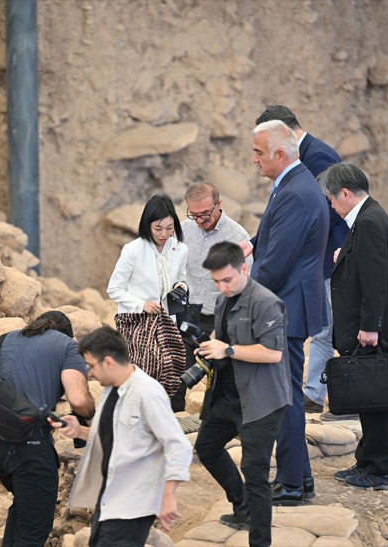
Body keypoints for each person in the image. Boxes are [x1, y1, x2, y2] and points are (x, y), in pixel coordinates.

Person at [241, 120, 328, 505]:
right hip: (291, 303)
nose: (254, 160)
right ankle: (301, 478)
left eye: (259, 153)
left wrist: (245, 299)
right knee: (287, 393)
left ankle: (291, 482)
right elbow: (272, 240)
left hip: (286, 306)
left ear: (280, 154)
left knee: (284, 397)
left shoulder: (295, 191)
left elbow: (276, 261)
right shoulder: (295, 183)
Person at [53, 327, 192, 547]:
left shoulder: (147, 393)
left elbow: (178, 446)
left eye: (90, 366)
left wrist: (168, 496)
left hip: (134, 504)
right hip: (109, 497)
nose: (88, 373)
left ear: (108, 362)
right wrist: (79, 431)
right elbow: (113, 437)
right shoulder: (112, 389)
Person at [320, 162, 388, 491]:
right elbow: (365, 264)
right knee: (369, 398)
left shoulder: (369, 222)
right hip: (372, 326)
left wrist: (371, 326)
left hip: (375, 329)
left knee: (376, 401)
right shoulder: (368, 216)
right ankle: (367, 462)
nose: (331, 205)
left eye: (331, 199)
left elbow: (375, 282)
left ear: (345, 193)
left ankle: (382, 470)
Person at [194, 242, 290, 547]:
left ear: (243, 269)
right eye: (216, 282)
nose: (221, 287)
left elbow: (273, 354)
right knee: (207, 448)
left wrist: (229, 350)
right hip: (228, 394)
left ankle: (259, 541)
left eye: (227, 280)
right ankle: (242, 507)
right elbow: (221, 338)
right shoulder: (224, 301)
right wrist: (210, 347)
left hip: (262, 402)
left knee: (256, 473)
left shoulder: (266, 302)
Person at [255, 105, 347, 416]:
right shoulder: (294, 161)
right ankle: (312, 393)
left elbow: (324, 214)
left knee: (325, 330)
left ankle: (315, 393)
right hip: (311, 258)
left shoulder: (317, 157)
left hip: (323, 258)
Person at [0, 311, 95, 546]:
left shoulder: (4, 339)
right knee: (34, 530)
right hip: (28, 448)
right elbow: (79, 400)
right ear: (65, 334)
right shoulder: (68, 346)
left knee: (22, 511)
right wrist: (89, 414)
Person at [107, 194, 188, 406]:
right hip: (136, 323)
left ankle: (165, 417)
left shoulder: (180, 249)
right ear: (147, 225)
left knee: (171, 369)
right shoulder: (133, 250)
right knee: (142, 373)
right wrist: (142, 304)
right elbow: (114, 288)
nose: (164, 234)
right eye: (158, 228)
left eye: (169, 228)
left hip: (166, 320)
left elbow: (182, 278)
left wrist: (181, 288)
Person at [177, 182, 252, 410]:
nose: (199, 220)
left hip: (218, 317)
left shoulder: (237, 235)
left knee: (217, 377)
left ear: (219, 205)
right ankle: (173, 422)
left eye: (205, 214)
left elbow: (245, 283)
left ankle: (212, 428)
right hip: (187, 312)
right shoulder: (184, 229)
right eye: (194, 214)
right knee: (176, 375)